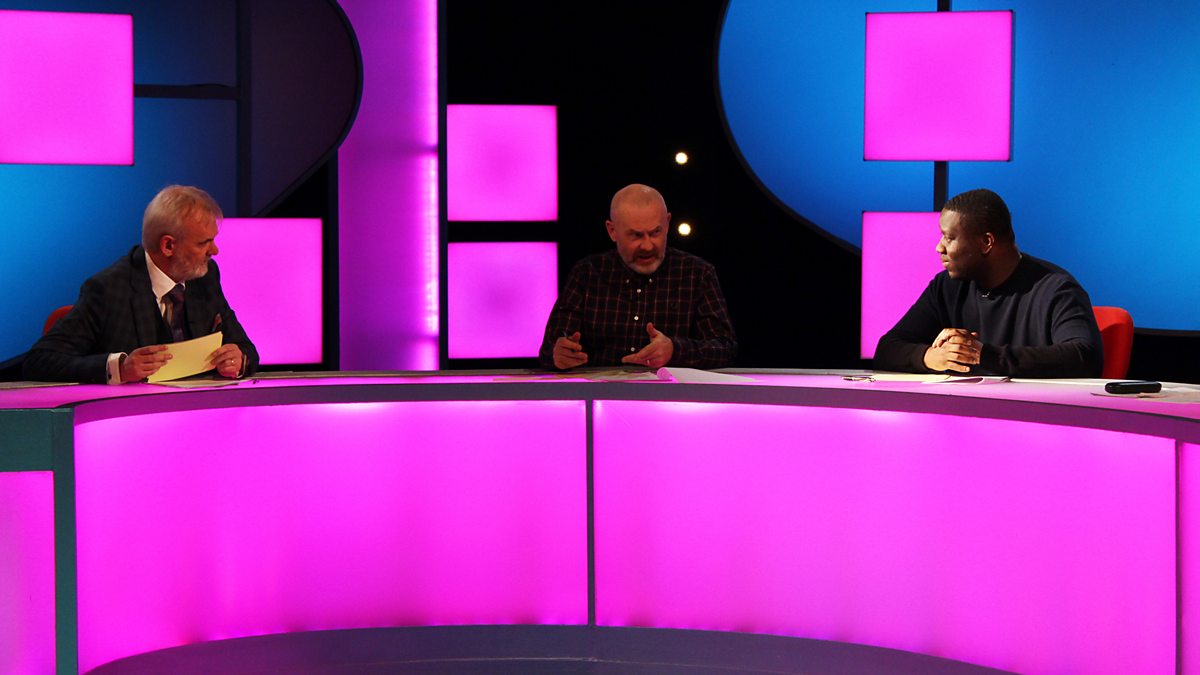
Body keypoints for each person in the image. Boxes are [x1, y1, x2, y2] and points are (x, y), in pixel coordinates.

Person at [24, 185, 258, 384]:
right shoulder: (108, 289)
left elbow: (245, 348)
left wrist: (239, 358)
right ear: (168, 246)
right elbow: (40, 360)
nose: (214, 251)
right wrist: (120, 368)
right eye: (203, 243)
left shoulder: (205, 277)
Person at [874, 189, 1102, 378]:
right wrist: (932, 356)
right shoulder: (946, 287)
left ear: (986, 242)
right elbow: (887, 348)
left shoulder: (1056, 288)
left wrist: (983, 356)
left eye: (949, 238)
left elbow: (1085, 356)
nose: (939, 247)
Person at [539, 183, 736, 370]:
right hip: (599, 393)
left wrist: (675, 350)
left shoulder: (697, 274)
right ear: (612, 231)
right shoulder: (587, 273)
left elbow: (725, 348)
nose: (648, 246)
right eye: (636, 235)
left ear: (667, 223)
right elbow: (548, 349)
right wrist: (559, 355)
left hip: (670, 393)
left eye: (656, 232)